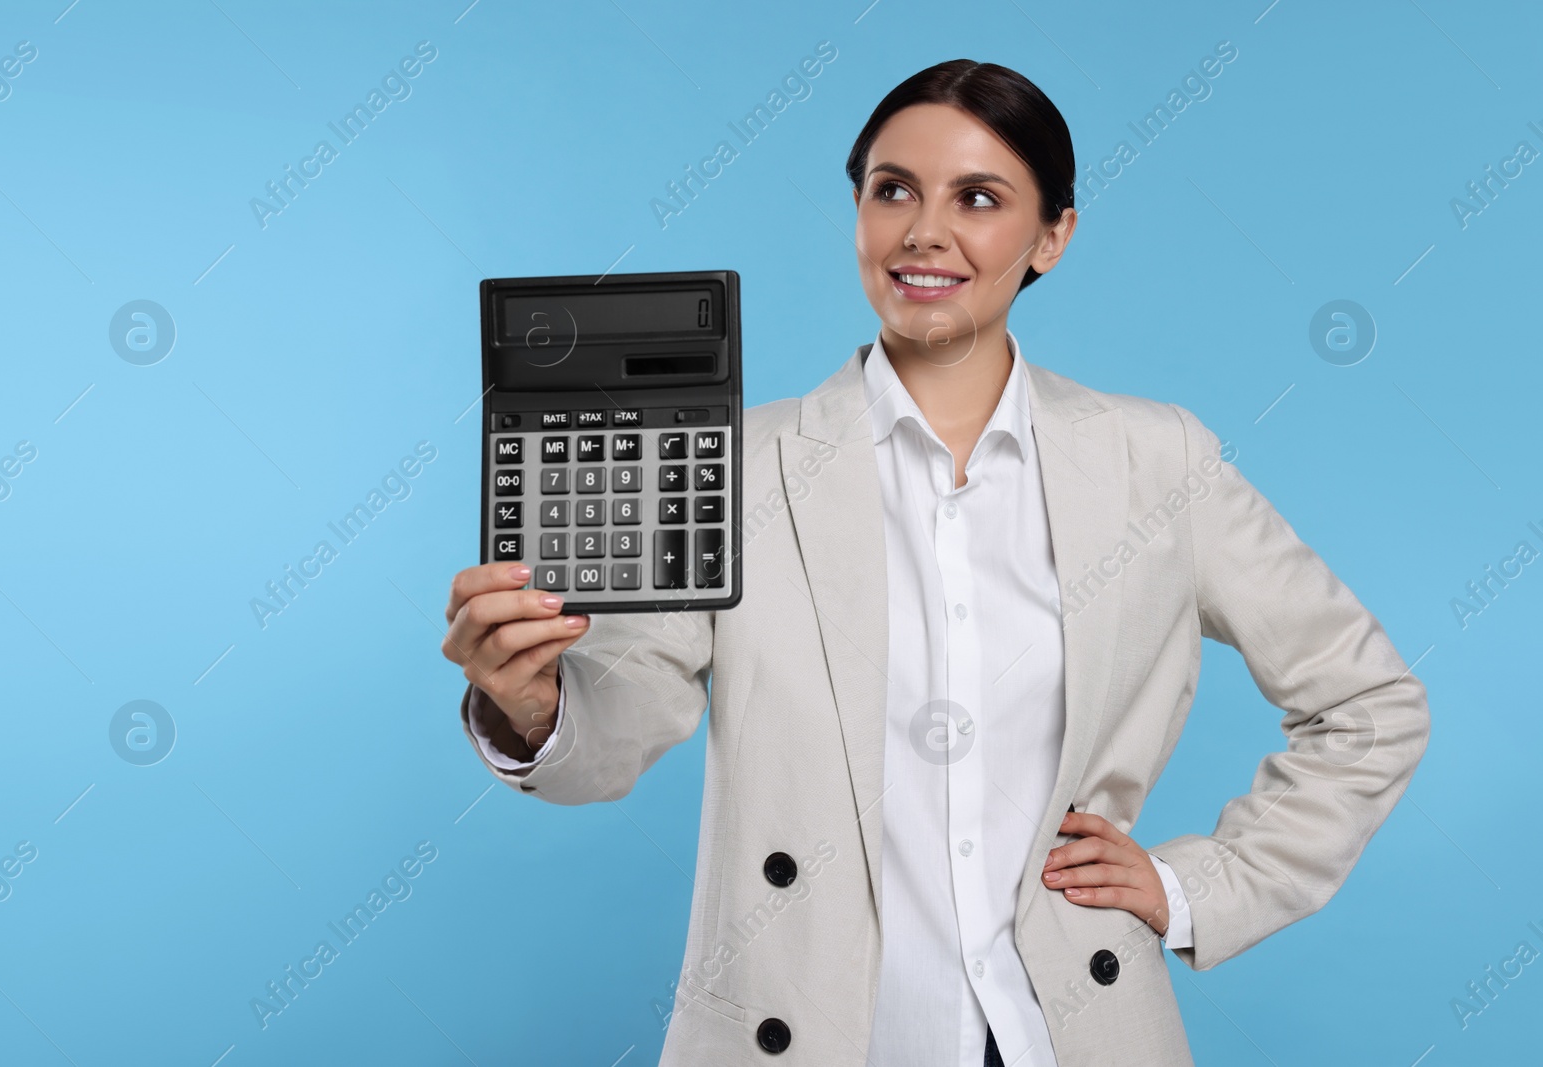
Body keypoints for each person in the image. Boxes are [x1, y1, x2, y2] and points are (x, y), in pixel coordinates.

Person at [442, 59, 1430, 1067]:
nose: (923, 230)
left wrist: (1189, 888)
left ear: (1054, 235)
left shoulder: (1156, 464)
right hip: (808, 1032)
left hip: (1067, 1034)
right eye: (892, 189)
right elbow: (624, 715)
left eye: (979, 197)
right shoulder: (738, 466)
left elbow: (1371, 706)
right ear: (859, 211)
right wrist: (531, 703)